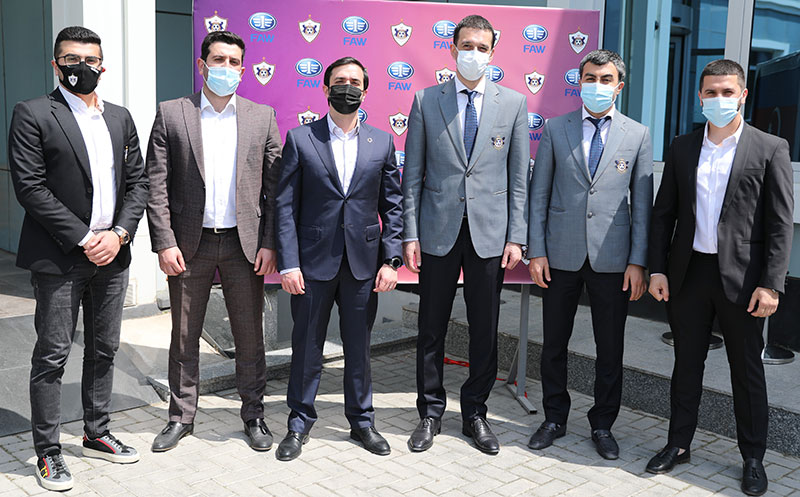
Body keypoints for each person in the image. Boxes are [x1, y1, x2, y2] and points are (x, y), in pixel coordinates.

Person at [8, 26, 148, 491]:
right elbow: (30, 187)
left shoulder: (120, 117)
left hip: (114, 254)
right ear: (56, 65)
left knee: (104, 349)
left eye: (90, 59)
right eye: (71, 59)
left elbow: (138, 182)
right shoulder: (33, 113)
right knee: (52, 356)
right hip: (61, 257)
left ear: (102, 66)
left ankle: (97, 431)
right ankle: (48, 452)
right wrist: (87, 238)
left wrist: (120, 234)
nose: (81, 67)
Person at [646, 59, 793, 496]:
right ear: (700, 97)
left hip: (744, 281)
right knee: (686, 365)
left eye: (727, 92)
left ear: (743, 95)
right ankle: (678, 444)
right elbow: (663, 214)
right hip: (689, 273)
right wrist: (657, 268)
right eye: (711, 92)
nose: (719, 99)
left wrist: (772, 283)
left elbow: (780, 224)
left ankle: (753, 457)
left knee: (746, 371)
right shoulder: (683, 146)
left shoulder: (770, 147)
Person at [146, 30, 282, 453]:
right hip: (190, 245)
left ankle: (254, 415)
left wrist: (270, 242)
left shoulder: (262, 116)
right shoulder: (173, 113)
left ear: (243, 69)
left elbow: (275, 189)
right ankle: (180, 417)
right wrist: (164, 241)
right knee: (184, 336)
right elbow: (155, 184)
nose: (226, 68)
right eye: (218, 60)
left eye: (233, 62)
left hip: (245, 246)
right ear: (202, 65)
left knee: (250, 337)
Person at [402, 14, 529, 455]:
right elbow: (412, 176)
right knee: (431, 326)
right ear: (453, 49)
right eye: (467, 46)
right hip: (437, 230)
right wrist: (410, 234)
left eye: (482, 47)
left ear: (493, 52)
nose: (474, 53)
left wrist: (516, 237)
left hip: (490, 235)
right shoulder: (426, 100)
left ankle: (475, 412)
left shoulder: (513, 104)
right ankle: (430, 412)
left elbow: (518, 180)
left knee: (484, 329)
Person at [526, 49, 653, 460]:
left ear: (619, 86)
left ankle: (602, 425)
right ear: (579, 83)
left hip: (613, 260)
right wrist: (537, 251)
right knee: (553, 344)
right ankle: (554, 418)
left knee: (609, 348)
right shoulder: (555, 129)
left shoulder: (637, 135)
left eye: (605, 79)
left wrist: (638, 262)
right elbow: (539, 194)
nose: (597, 86)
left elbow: (643, 206)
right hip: (559, 255)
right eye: (590, 78)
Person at [275, 56, 403, 461]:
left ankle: (362, 422)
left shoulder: (382, 142)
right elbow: (284, 206)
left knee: (359, 348)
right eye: (339, 81)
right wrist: (289, 263)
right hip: (312, 264)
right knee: (306, 347)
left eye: (354, 81)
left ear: (365, 90)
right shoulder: (301, 139)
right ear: (326, 88)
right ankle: (298, 423)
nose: (347, 87)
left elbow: (393, 205)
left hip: (363, 264)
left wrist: (391, 261)